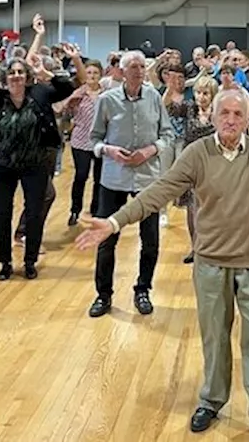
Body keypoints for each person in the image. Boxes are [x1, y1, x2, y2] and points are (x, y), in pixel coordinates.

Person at [74, 88, 249, 439]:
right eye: (225, 113)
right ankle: (212, 399)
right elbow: (160, 190)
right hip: (211, 265)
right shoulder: (198, 153)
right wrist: (114, 222)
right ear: (215, 117)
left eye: (238, 113)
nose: (232, 120)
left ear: (248, 118)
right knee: (215, 339)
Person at [0, 47, 76, 280]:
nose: (16, 76)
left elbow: (67, 88)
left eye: (21, 72)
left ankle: (30, 260)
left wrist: (45, 71)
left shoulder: (40, 93)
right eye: (12, 72)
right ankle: (4, 262)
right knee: (1, 214)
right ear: (5, 77)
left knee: (34, 213)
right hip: (3, 166)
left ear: (27, 76)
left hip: (36, 164)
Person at [87, 50, 174, 318]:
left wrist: (150, 150)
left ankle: (142, 290)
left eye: (142, 66)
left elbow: (168, 134)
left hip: (148, 179)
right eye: (133, 66)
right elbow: (94, 140)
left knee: (150, 240)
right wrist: (109, 150)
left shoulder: (154, 98)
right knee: (106, 238)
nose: (139, 71)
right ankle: (103, 295)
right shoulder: (107, 100)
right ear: (122, 72)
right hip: (114, 178)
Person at [173, 74, 218, 263]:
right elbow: (167, 104)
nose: (201, 96)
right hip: (191, 163)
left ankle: (213, 247)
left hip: (214, 164)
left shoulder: (220, 110)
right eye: (198, 92)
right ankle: (196, 248)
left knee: (212, 208)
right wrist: (171, 87)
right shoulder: (189, 108)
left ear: (213, 94)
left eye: (206, 93)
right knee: (193, 208)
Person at [63, 60, 104, 227]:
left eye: (95, 73)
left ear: (100, 75)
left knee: (99, 178)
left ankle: (96, 209)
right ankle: (75, 210)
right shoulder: (78, 93)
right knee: (81, 176)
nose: (92, 76)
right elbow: (65, 111)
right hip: (80, 140)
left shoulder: (107, 93)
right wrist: (70, 103)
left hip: (101, 141)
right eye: (89, 73)